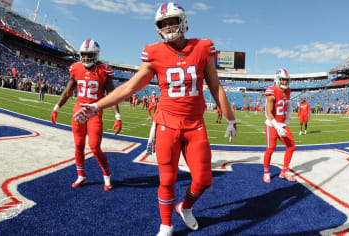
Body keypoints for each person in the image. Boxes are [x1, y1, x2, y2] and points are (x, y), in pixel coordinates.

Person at [73, 3, 237, 235]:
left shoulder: (203, 47)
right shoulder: (154, 52)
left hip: (195, 125)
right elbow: (131, 86)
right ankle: (166, 225)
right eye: (163, 23)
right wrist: (96, 106)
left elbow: (215, 85)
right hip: (166, 124)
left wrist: (230, 118)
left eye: (172, 21)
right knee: (167, 180)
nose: (168, 27)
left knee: (203, 180)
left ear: (183, 21)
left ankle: (185, 207)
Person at [50, 39, 122, 191]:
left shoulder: (104, 70)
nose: (87, 59)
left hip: (95, 112)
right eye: (84, 55)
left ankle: (107, 176)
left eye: (90, 55)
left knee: (95, 147)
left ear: (96, 55)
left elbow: (112, 94)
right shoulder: (75, 68)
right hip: (78, 112)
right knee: (78, 145)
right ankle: (81, 176)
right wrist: (57, 107)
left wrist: (117, 116)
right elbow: (67, 91)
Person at [263, 69, 296, 183]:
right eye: (282, 79)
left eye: (286, 80)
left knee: (291, 146)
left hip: (282, 124)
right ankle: (266, 172)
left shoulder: (288, 91)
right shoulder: (271, 90)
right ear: (277, 80)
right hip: (272, 124)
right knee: (271, 148)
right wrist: (277, 126)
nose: (285, 82)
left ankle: (284, 171)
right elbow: (268, 112)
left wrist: (287, 121)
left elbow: (288, 105)